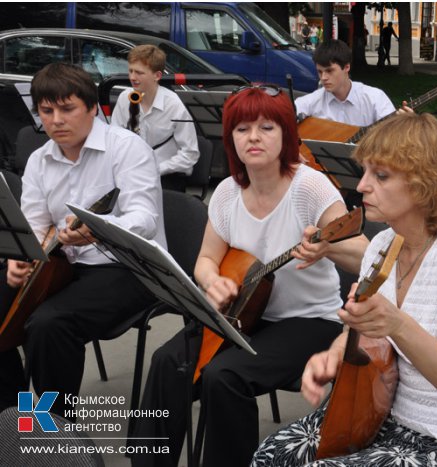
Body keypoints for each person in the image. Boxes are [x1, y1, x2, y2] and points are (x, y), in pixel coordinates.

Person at [252, 112, 437, 466]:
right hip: (386, 418)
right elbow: (357, 326)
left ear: (425, 184)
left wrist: (397, 324)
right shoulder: (383, 245)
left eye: (380, 176)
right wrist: (332, 354)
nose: (361, 186)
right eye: (365, 172)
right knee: (270, 456)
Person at [130, 85, 368, 467]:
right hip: (243, 314)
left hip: (306, 321)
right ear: (230, 139)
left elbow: (365, 256)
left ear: (286, 135)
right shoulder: (227, 192)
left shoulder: (310, 187)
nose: (253, 137)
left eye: (266, 127)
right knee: (167, 361)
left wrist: (328, 247)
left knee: (223, 377)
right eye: (242, 129)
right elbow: (207, 258)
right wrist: (213, 282)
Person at [0, 62, 165, 416]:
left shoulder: (128, 148)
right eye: (47, 111)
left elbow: (145, 219)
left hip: (128, 267)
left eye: (67, 108)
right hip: (63, 265)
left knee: (48, 324)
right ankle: (10, 418)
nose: (56, 119)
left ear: (92, 108)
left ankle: (54, 432)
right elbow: (33, 224)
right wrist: (20, 256)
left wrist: (98, 228)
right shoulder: (39, 161)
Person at [110, 44, 199, 192]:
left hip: (166, 177)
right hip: (132, 173)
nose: (132, 77)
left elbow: (190, 153)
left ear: (157, 76)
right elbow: (114, 141)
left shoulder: (174, 105)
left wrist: (157, 169)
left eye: (139, 73)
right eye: (130, 71)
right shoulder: (124, 98)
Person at [295, 39, 396, 127]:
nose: (323, 78)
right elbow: (286, 115)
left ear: (347, 67)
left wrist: (404, 123)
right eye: (320, 72)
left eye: (329, 71)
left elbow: (394, 134)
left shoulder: (375, 98)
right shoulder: (312, 101)